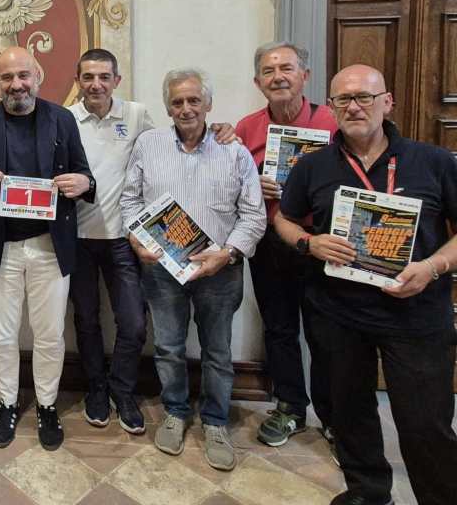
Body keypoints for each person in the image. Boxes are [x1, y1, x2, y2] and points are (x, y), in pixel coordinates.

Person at [274, 64, 457, 505]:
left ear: (387, 102)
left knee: (424, 421)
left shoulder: (433, 161)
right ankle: (369, 491)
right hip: (337, 312)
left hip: (415, 313)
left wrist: (432, 267)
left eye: (365, 97)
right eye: (343, 99)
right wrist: (308, 242)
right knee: (349, 412)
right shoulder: (312, 166)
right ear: (332, 107)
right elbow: (284, 218)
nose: (354, 107)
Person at [120, 68, 265, 472]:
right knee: (167, 347)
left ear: (208, 104)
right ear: (167, 106)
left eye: (193, 100)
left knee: (218, 351)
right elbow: (130, 200)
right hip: (162, 270)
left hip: (220, 270)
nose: (186, 108)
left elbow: (253, 215)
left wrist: (228, 253)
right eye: (178, 102)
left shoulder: (232, 150)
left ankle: (216, 421)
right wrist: (136, 239)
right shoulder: (149, 144)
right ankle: (176, 412)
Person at [0, 46, 95, 452]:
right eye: (6, 78)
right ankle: (8, 402)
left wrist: (83, 184)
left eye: (23, 76)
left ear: (38, 75)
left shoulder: (63, 119)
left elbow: (85, 174)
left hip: (51, 247)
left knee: (50, 334)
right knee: (1, 335)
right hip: (0, 247)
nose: (16, 84)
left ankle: (48, 405)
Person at [234, 41, 337, 449]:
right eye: (269, 70)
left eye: (287, 68)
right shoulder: (246, 127)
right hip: (271, 240)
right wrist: (251, 183)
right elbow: (233, 183)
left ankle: (332, 414)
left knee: (325, 332)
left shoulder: (332, 122)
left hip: (321, 242)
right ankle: (291, 406)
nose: (278, 76)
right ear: (259, 82)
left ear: (304, 76)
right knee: (279, 329)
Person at [68, 49, 151, 433]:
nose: (96, 84)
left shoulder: (136, 115)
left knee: (133, 324)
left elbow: (163, 156)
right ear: (78, 81)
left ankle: (123, 390)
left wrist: (220, 131)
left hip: (124, 239)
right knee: (86, 321)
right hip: (79, 239)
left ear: (117, 80)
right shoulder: (65, 118)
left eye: (104, 76)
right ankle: (96, 390)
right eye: (88, 77)